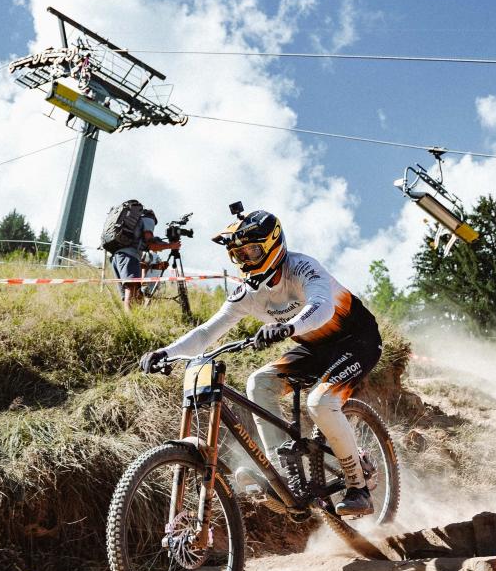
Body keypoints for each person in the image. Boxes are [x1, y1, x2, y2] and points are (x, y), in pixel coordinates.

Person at [139, 206, 381, 517]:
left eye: (252, 252)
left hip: (356, 339)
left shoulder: (302, 268)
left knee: (320, 403)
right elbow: (207, 332)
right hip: (313, 347)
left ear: (273, 244)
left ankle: (357, 486)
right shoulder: (248, 293)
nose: (246, 261)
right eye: (238, 256)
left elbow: (323, 308)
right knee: (259, 382)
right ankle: (284, 474)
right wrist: (166, 352)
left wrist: (288, 327)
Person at [104, 200, 178, 310]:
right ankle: (130, 324)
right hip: (129, 256)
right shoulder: (149, 219)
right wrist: (171, 246)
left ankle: (136, 318)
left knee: (135, 294)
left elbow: (147, 243)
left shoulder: (135, 224)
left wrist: (163, 244)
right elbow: (151, 244)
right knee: (132, 291)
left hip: (117, 256)